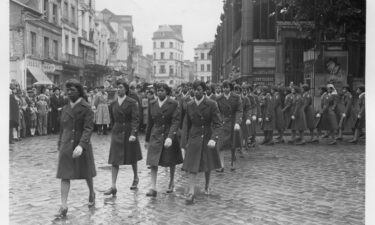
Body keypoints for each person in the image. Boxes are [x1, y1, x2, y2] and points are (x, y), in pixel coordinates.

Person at [56, 79, 96, 217]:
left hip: (81, 144)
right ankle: (64, 205)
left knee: (87, 173)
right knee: (64, 174)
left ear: (79, 91)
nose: (69, 92)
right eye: (67, 90)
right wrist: (60, 142)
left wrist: (81, 145)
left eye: (72, 90)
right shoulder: (65, 108)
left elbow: (88, 128)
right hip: (66, 144)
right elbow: (63, 127)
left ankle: (91, 192)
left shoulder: (87, 108)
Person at [182, 80, 222, 204]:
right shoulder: (189, 104)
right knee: (191, 165)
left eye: (199, 89)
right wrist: (185, 142)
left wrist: (214, 138)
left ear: (204, 90)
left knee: (207, 163)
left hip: (207, 136)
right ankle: (191, 193)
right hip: (194, 136)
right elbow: (187, 124)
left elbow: (218, 123)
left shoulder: (211, 104)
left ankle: (207, 184)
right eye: (194, 89)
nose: (196, 92)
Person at [104, 80, 142, 196]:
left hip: (128, 132)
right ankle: (113, 186)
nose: (118, 89)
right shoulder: (113, 103)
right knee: (114, 159)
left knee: (132, 157)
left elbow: (135, 119)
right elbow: (112, 118)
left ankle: (136, 178)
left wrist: (133, 133)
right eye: (117, 87)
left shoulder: (132, 102)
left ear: (125, 89)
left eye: (120, 87)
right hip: (117, 132)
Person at [145, 83, 183, 197]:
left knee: (171, 160)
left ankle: (171, 182)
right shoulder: (152, 103)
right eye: (158, 91)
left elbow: (176, 121)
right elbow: (150, 122)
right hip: (156, 134)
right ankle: (153, 187)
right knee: (153, 161)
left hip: (168, 134)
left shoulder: (174, 103)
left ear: (167, 92)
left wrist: (170, 137)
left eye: (162, 90)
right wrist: (147, 139)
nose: (159, 92)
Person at [216, 80, 243, 171]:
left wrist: (237, 122)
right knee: (221, 144)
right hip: (223, 123)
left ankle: (233, 162)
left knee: (233, 144)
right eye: (223, 87)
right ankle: (221, 165)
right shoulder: (219, 98)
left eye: (227, 87)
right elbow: (217, 112)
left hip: (233, 123)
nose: (225, 89)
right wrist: (219, 120)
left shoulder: (236, 97)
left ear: (230, 88)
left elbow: (239, 110)